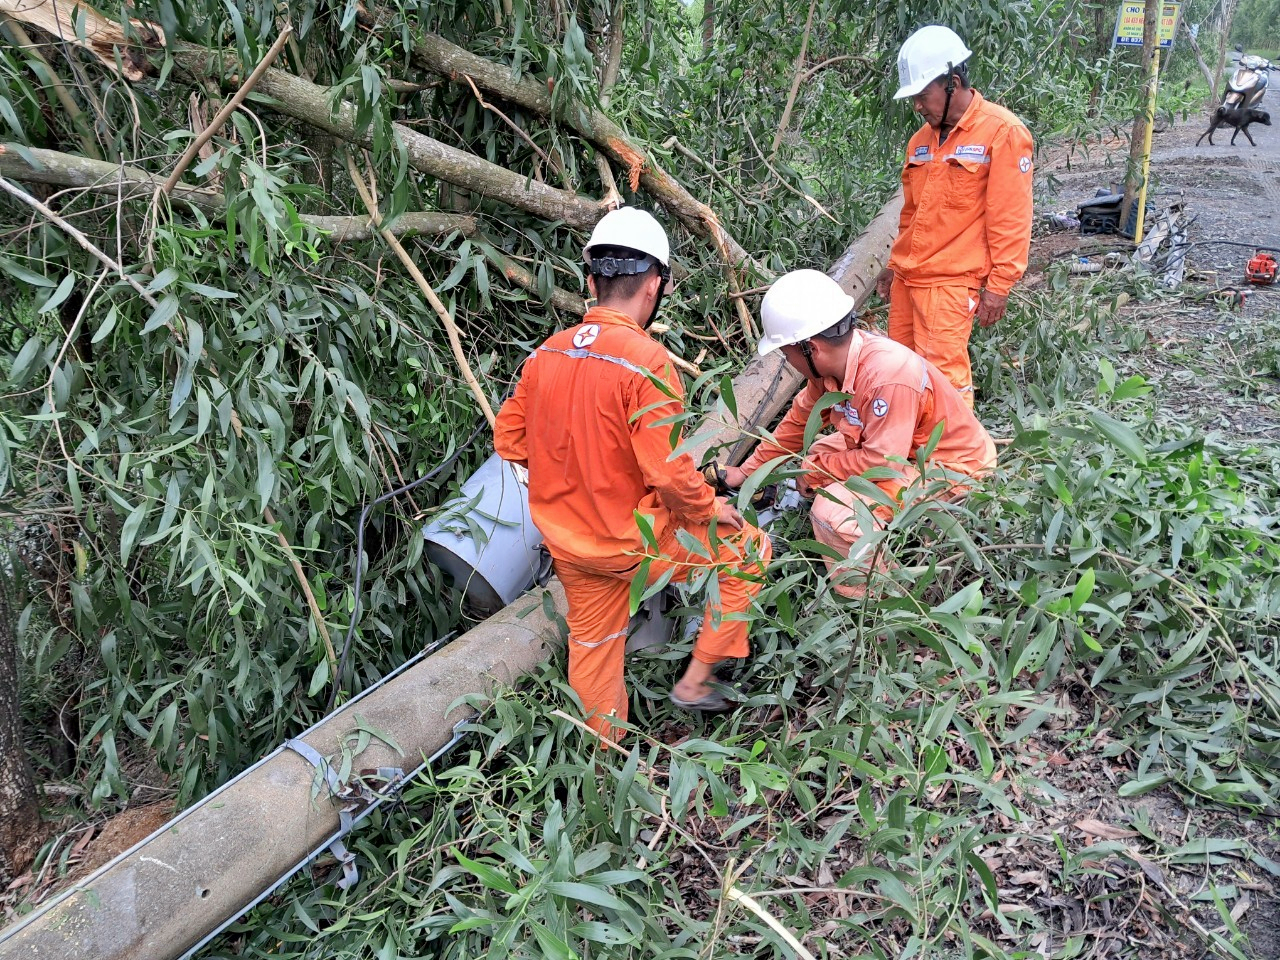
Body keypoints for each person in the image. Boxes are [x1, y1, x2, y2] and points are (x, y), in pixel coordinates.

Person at [493, 207, 771, 740]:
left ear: (592, 282)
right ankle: (696, 681)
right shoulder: (647, 362)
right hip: (636, 543)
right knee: (748, 552)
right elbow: (668, 474)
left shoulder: (544, 355)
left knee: (593, 649)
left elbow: (508, 440)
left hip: (571, 546)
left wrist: (570, 471)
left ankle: (603, 762)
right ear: (655, 285)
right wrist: (711, 508)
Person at [723, 269, 996, 598]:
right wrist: (744, 472)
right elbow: (797, 424)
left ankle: (877, 605)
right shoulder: (832, 368)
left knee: (831, 513)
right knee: (818, 450)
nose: (787, 360)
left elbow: (884, 463)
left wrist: (819, 471)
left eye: (786, 353)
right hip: (901, 445)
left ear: (811, 348)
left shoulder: (887, 375)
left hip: (949, 465)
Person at [874, 25, 1034, 409]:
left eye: (922, 96)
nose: (917, 106)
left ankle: (954, 460)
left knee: (943, 378)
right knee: (902, 371)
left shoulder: (1003, 132)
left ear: (953, 83)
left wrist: (999, 285)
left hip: (949, 282)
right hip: (909, 279)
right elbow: (911, 213)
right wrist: (893, 265)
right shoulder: (921, 141)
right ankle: (908, 449)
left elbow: (1011, 216)